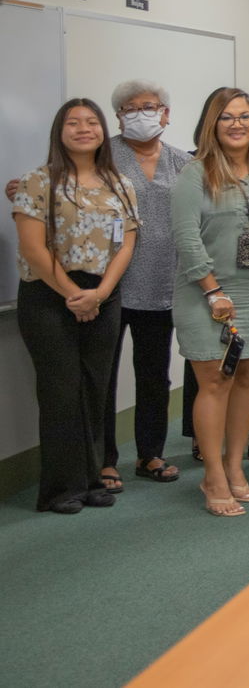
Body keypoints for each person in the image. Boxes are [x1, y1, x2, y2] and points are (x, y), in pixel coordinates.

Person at [171, 90, 249, 517]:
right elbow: (187, 240)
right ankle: (212, 475)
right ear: (212, 123)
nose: (237, 124)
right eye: (226, 117)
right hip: (206, 292)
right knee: (214, 381)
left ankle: (233, 466)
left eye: (245, 116)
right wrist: (212, 291)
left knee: (248, 377)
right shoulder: (195, 173)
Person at [11, 99, 141, 514]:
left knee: (94, 388)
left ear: (103, 130)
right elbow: (32, 248)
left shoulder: (119, 183)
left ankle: (90, 480)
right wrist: (73, 294)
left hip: (103, 293)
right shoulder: (38, 181)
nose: (83, 129)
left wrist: (100, 293)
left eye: (91, 122)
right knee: (61, 390)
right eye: (73, 123)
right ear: (59, 131)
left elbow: (127, 243)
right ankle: (58, 490)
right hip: (49, 294)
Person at [104, 80, 192, 488]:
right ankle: (104, 459)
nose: (140, 114)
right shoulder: (103, 155)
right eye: (130, 108)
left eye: (150, 106)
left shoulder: (182, 162)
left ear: (166, 114)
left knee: (154, 375)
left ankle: (150, 454)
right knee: (103, 375)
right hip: (109, 286)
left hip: (164, 286)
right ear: (119, 117)